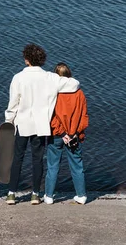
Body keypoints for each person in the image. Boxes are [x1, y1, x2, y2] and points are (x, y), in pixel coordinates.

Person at [4, 43, 80, 205]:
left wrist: (8, 121)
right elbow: (74, 84)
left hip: (22, 124)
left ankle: (11, 193)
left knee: (18, 158)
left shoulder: (18, 78)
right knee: (37, 159)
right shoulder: (50, 78)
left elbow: (13, 104)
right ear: (42, 60)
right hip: (41, 125)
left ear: (26, 60)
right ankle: (35, 194)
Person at [44, 62, 88, 205]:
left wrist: (62, 133)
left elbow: (51, 117)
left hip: (57, 135)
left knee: (53, 165)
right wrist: (74, 133)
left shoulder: (54, 93)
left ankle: (49, 196)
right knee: (77, 165)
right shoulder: (79, 93)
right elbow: (84, 117)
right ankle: (81, 195)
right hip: (74, 135)